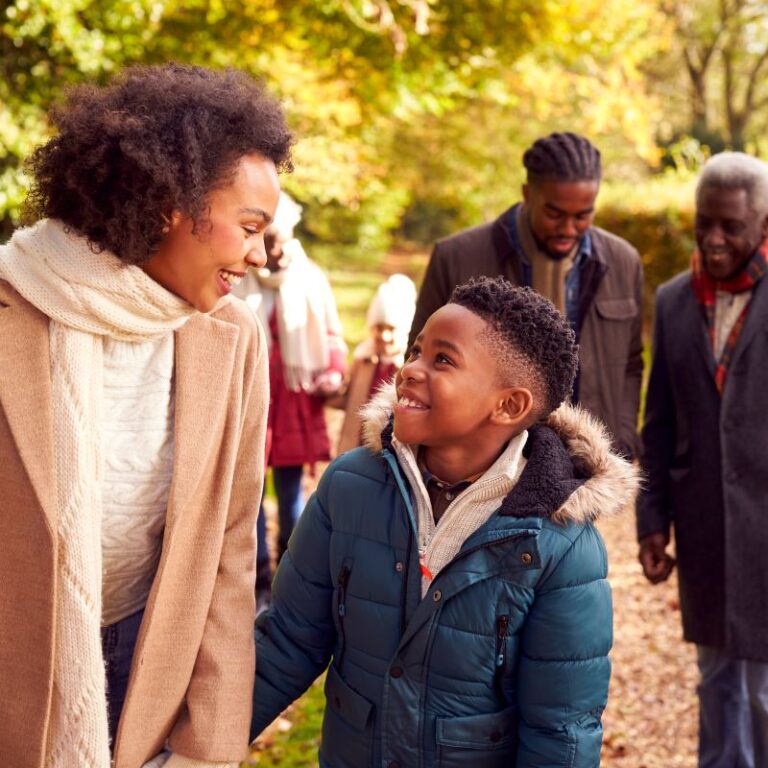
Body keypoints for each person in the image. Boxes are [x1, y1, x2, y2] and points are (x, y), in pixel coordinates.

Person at [0, 63, 292, 768]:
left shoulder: (235, 337)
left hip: (144, 666)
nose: (259, 255)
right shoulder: (13, 306)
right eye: (249, 227)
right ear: (170, 203)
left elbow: (228, 554)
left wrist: (206, 747)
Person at [250, 276, 639, 767]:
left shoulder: (562, 546)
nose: (410, 370)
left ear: (509, 405)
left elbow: (560, 731)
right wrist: (193, 749)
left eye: (442, 360)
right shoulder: (349, 487)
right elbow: (286, 641)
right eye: (416, 352)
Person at [637, 152, 768, 768]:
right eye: (703, 223)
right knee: (717, 681)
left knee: (765, 690)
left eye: (731, 227)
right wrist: (651, 522)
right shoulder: (673, 301)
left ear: (763, 222)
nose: (714, 240)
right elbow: (658, 422)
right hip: (706, 524)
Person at [409, 131, 643, 458]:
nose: (568, 229)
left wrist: (623, 439)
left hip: (583, 468)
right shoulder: (457, 257)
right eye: (554, 213)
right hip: (483, 462)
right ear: (527, 194)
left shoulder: (624, 261)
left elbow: (631, 364)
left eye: (582, 215)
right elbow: (420, 356)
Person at [233, 192, 347, 614]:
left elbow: (331, 330)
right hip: (253, 400)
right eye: (265, 238)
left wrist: (333, 369)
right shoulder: (241, 274)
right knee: (251, 490)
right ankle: (259, 575)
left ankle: (292, 575)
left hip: (295, 400)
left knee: (292, 491)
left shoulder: (309, 277)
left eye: (278, 239)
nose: (272, 250)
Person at [333, 272, 417, 454]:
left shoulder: (406, 367)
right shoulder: (364, 359)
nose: (384, 336)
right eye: (379, 328)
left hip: (386, 448)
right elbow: (344, 397)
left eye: (391, 329)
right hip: (355, 443)